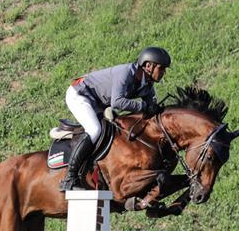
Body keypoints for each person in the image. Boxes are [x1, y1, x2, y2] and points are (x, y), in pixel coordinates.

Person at [59, 46, 171, 191]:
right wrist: (144, 106)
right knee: (94, 130)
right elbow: (117, 102)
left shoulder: (147, 85)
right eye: (161, 68)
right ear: (148, 65)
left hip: (98, 102)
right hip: (80, 95)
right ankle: (69, 178)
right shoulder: (125, 73)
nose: (164, 72)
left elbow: (151, 109)